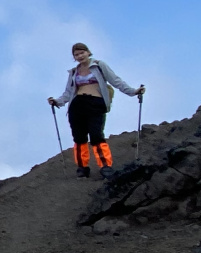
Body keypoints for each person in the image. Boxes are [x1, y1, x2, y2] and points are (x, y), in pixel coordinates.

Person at [49, 43, 144, 178]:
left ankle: (105, 166)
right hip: (77, 105)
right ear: (74, 57)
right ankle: (82, 167)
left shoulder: (99, 66)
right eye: (76, 55)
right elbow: (68, 92)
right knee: (79, 137)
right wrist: (57, 101)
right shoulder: (73, 72)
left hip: (95, 103)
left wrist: (133, 91)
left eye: (82, 53)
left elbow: (116, 81)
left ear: (88, 52)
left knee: (96, 134)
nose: (80, 56)